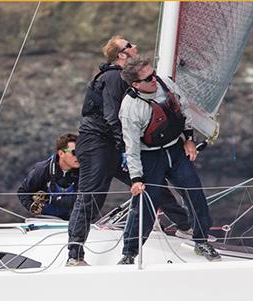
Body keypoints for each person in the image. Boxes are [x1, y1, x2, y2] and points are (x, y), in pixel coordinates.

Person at [67, 36, 190, 266]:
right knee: (91, 197)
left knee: (152, 184)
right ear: (121, 55)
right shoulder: (113, 77)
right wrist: (125, 150)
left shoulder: (132, 78)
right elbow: (113, 117)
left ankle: (185, 226)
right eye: (130, 45)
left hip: (115, 143)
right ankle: (74, 255)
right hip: (98, 144)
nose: (136, 47)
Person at [118, 56, 220, 264]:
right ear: (136, 84)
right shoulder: (130, 109)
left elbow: (183, 110)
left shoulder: (166, 83)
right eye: (148, 79)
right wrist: (136, 178)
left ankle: (201, 241)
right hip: (150, 156)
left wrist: (189, 140)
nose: (154, 79)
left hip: (175, 149)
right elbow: (132, 147)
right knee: (145, 204)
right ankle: (129, 254)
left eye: (153, 74)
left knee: (194, 193)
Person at [17, 133, 80, 220]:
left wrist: (50, 199)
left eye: (81, 152)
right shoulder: (42, 169)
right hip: (45, 220)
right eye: (74, 152)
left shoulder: (85, 172)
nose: (79, 156)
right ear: (61, 153)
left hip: (75, 220)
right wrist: (31, 206)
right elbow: (23, 192)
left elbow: (83, 200)